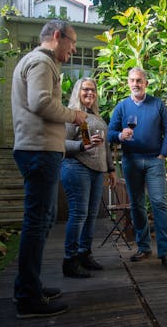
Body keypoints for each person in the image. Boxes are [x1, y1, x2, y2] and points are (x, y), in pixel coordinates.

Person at [11, 20, 87, 318]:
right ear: (57, 36)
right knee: (37, 222)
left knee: (42, 220)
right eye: (72, 42)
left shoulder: (34, 62)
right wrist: (75, 115)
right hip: (39, 151)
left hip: (39, 150)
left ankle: (29, 286)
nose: (74, 49)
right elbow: (41, 103)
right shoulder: (42, 62)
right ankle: (28, 298)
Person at [108, 67, 167, 271]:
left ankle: (165, 252)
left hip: (155, 161)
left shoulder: (157, 104)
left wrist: (162, 154)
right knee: (137, 205)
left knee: (158, 203)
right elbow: (110, 132)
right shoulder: (122, 107)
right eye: (132, 80)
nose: (135, 83)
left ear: (146, 83)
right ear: (128, 83)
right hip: (131, 161)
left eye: (139, 80)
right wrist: (120, 136)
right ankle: (144, 247)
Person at [61, 78, 117, 278]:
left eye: (93, 90)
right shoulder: (71, 115)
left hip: (97, 170)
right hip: (77, 167)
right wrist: (81, 146)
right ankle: (70, 260)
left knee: (91, 215)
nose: (90, 93)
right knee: (79, 215)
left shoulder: (96, 116)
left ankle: (85, 254)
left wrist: (111, 169)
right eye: (85, 89)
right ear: (78, 91)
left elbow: (106, 146)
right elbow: (60, 144)